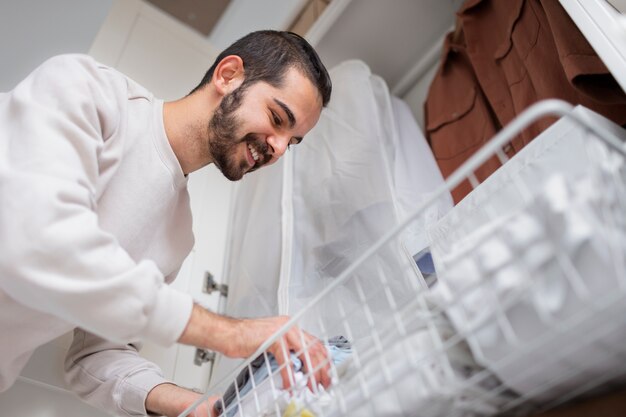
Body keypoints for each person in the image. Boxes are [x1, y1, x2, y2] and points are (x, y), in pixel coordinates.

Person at [0, 30, 332, 417]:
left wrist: (190, 403)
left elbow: (97, 354)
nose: (277, 148)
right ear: (228, 75)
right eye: (278, 118)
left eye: (291, 141)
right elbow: (37, 241)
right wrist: (232, 334)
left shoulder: (177, 236)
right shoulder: (86, 90)